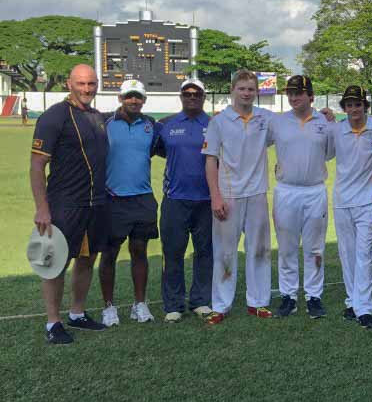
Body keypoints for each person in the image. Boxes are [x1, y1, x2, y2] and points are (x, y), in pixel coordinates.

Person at [30, 64, 110, 343]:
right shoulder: (54, 116)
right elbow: (37, 165)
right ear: (69, 84)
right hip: (65, 204)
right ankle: (53, 323)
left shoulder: (96, 116)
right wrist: (42, 208)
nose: (87, 89)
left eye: (91, 83)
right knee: (56, 262)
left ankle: (77, 313)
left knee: (87, 259)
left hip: (95, 204)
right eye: (81, 83)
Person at [202, 69, 274, 325]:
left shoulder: (265, 118)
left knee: (260, 250)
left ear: (257, 92)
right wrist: (215, 197)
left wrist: (323, 115)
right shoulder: (219, 121)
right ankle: (221, 305)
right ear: (232, 90)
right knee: (224, 252)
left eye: (250, 89)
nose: (246, 93)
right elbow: (210, 160)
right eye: (241, 88)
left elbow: (290, 128)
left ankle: (258, 302)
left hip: (257, 194)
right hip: (229, 196)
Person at [99, 80, 161, 325]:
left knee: (139, 251)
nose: (133, 100)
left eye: (138, 97)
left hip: (142, 198)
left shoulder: (151, 125)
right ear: (120, 98)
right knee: (109, 254)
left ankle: (140, 304)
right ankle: (109, 307)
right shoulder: (104, 122)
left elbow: (156, 150)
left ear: (144, 100)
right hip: (113, 199)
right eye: (129, 96)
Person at [271, 75, 333, 320]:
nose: (294, 97)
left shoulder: (325, 122)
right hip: (286, 190)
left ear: (311, 96)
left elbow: (330, 153)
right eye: (290, 93)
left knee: (314, 248)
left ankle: (313, 296)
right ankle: (288, 296)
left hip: (314, 190)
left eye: (299, 93)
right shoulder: (278, 122)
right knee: (286, 247)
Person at [154, 78, 214, 322]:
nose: (192, 97)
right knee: (173, 253)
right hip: (175, 199)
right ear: (181, 97)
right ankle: (173, 305)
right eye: (187, 94)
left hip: (207, 200)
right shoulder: (165, 125)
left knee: (205, 252)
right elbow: (159, 150)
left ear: (203, 97)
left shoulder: (214, 124)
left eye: (196, 94)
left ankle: (200, 300)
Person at [332, 85, 372, 329]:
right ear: (344, 108)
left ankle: (364, 308)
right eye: (350, 105)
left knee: (364, 254)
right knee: (347, 253)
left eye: (358, 104)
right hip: (342, 201)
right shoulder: (336, 130)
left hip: (368, 201)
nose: (354, 109)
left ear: (365, 106)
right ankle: (352, 301)